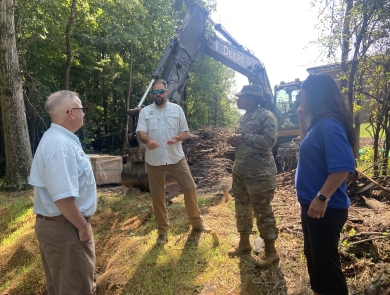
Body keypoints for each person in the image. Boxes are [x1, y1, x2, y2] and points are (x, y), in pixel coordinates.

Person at [29, 91, 97, 295]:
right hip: (66, 229)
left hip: (61, 227)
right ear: (71, 113)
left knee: (63, 287)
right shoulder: (60, 145)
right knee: (75, 288)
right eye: (81, 109)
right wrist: (83, 227)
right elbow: (63, 197)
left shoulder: (58, 140)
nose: (84, 113)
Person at [296, 73, 355, 295]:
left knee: (327, 267)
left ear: (314, 95)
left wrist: (322, 197)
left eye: (302, 94)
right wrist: (302, 119)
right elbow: (306, 148)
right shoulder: (318, 124)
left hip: (325, 209)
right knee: (314, 259)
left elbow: (343, 166)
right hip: (311, 205)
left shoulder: (330, 126)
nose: (300, 99)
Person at [136, 79, 211, 245]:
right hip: (154, 160)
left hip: (176, 157)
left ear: (166, 92)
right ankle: (162, 231)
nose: (158, 95)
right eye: (155, 93)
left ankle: (197, 223)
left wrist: (178, 137)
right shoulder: (145, 112)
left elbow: (185, 132)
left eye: (160, 92)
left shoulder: (177, 110)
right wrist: (148, 140)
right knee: (157, 195)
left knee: (190, 187)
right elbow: (141, 133)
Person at [227, 84, 279, 268]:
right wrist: (234, 139)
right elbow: (242, 140)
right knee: (242, 208)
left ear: (250, 98)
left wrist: (244, 137)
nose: (238, 100)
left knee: (262, 211)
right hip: (241, 172)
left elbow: (270, 141)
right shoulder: (243, 118)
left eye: (241, 97)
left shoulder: (266, 116)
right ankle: (244, 243)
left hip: (260, 175)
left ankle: (271, 252)